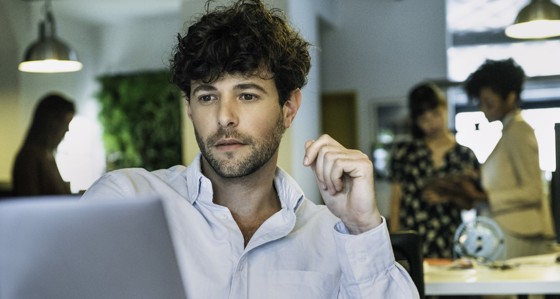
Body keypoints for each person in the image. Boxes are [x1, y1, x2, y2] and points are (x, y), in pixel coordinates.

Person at [81, 1, 418, 298]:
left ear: (289, 108)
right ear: (189, 108)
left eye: (247, 95)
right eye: (207, 96)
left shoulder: (335, 235)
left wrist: (361, 228)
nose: (224, 117)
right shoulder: (126, 200)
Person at [464, 58, 553, 259]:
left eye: (489, 102)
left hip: (521, 233)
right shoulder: (509, 132)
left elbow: (532, 191)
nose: (483, 108)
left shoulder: (519, 131)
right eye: (480, 102)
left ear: (510, 97)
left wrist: (486, 196)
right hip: (511, 231)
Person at [389, 82, 481, 259]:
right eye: (423, 119)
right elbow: (396, 199)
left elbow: (470, 203)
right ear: (416, 121)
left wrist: (449, 196)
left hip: (450, 238)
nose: (431, 123)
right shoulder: (405, 153)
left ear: (445, 107)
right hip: (413, 237)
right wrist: (395, 241)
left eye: (435, 114)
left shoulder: (464, 154)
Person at [12, 93, 75, 196]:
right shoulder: (30, 157)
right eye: (66, 123)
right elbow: (30, 203)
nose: (67, 129)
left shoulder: (47, 156)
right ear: (53, 123)